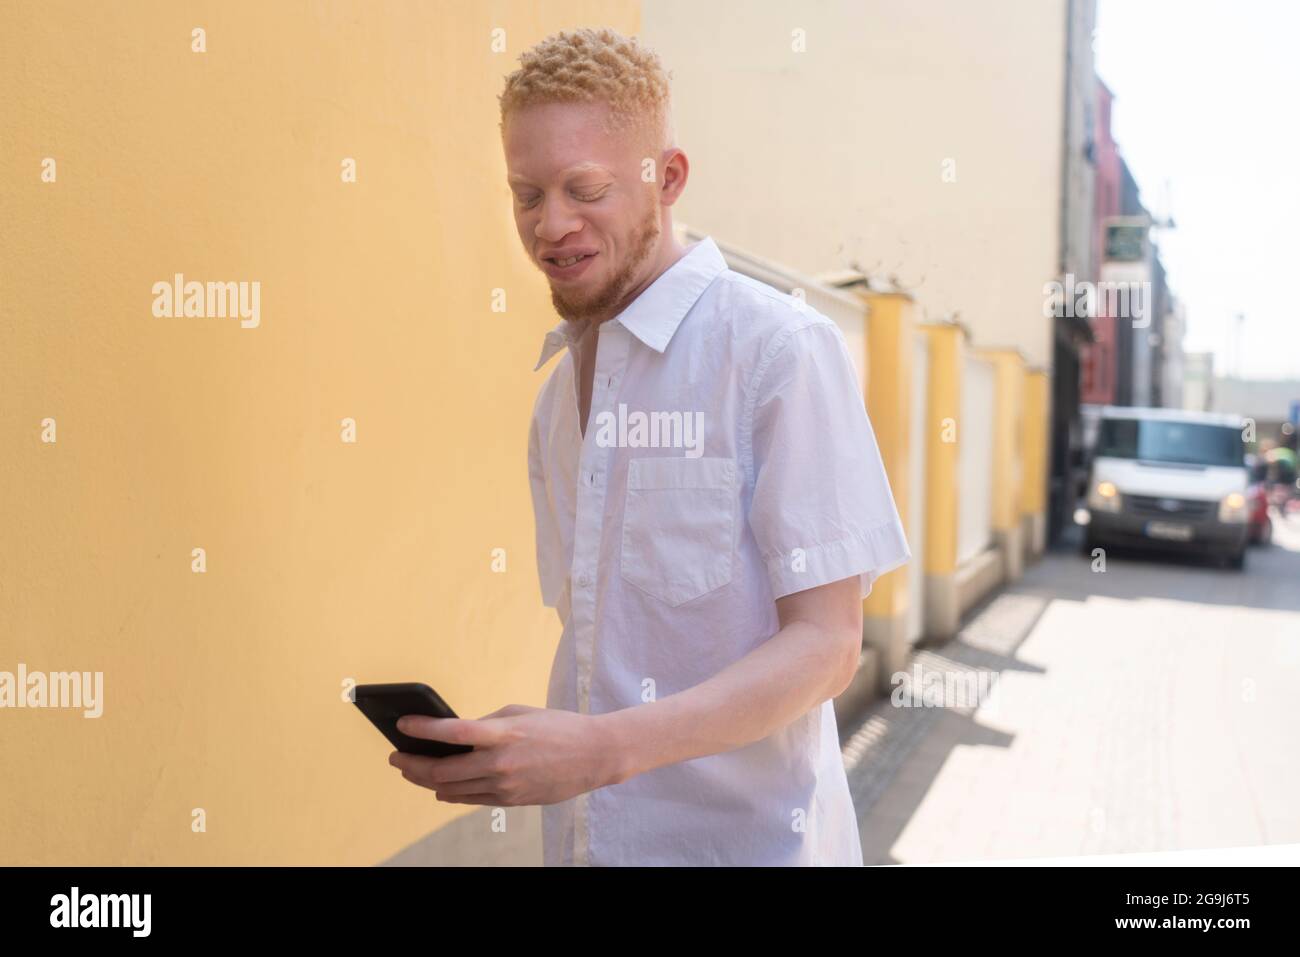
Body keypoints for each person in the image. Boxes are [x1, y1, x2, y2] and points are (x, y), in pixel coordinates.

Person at [389, 26, 910, 866]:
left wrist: (600, 749)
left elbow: (827, 645)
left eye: (583, 188)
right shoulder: (558, 398)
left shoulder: (777, 351)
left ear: (666, 179)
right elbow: (606, 644)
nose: (551, 226)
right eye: (527, 194)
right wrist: (546, 741)